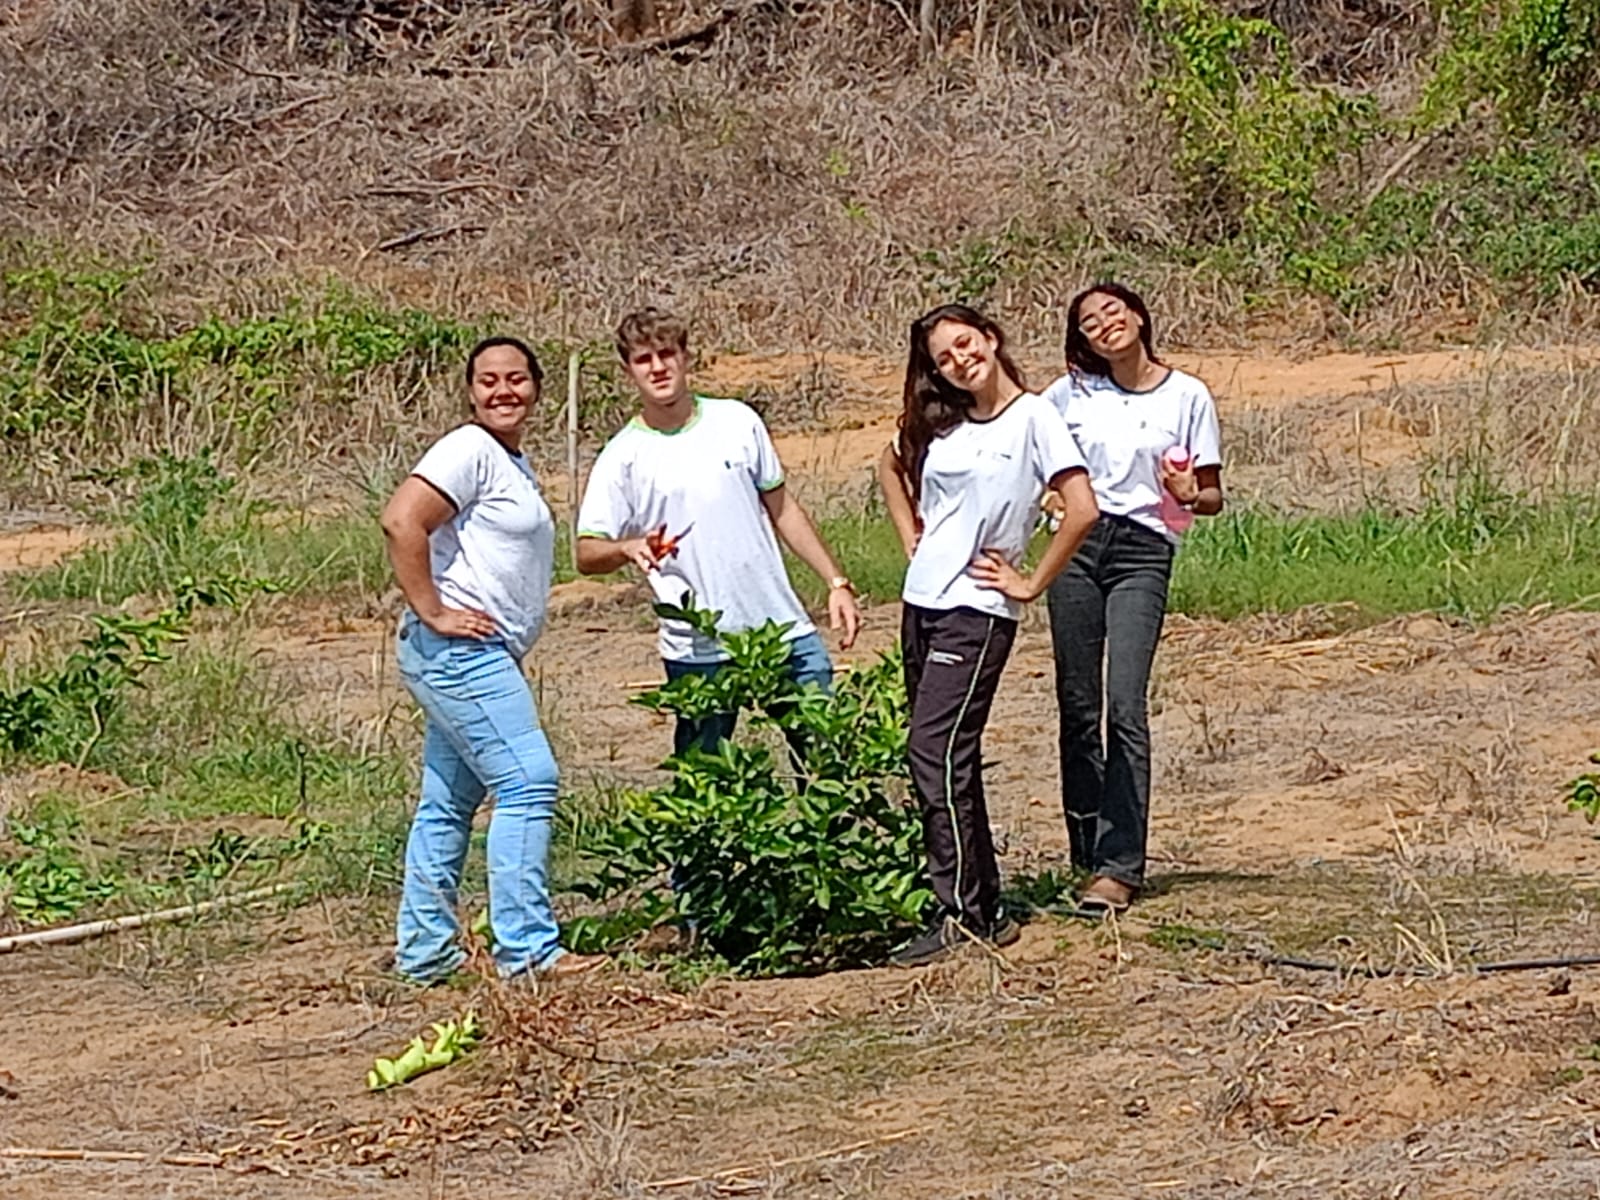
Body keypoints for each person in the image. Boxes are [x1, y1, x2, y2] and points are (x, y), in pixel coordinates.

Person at [879, 303, 1099, 966]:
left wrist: (1030, 583)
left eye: (965, 346)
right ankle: (977, 903)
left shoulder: (1035, 417)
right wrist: (912, 542)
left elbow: (1081, 507)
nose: (958, 362)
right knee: (947, 758)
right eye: (944, 358)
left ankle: (964, 911)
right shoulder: (945, 425)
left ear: (992, 339)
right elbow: (889, 468)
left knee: (934, 750)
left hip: (978, 610)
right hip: (923, 603)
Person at [380, 336, 602, 983]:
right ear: (470, 391)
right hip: (458, 652)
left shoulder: (509, 459)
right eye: (488, 381)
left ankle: (424, 954)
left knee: (448, 800)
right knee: (528, 781)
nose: (503, 391)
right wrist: (434, 610)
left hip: (478, 653)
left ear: (536, 387)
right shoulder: (469, 449)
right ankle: (528, 951)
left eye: (516, 379)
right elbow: (402, 521)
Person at [575, 307, 861, 755]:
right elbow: (586, 553)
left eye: (667, 353)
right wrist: (628, 547)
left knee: (826, 758)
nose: (658, 367)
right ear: (628, 370)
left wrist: (836, 581)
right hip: (697, 649)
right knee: (705, 780)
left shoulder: (738, 422)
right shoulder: (621, 457)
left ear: (686, 357)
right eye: (644, 359)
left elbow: (783, 508)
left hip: (781, 632)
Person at [1039, 282, 1224, 918]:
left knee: (1124, 702)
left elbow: (1210, 498)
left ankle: (1121, 867)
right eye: (1088, 323)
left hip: (1143, 548)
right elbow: (1031, 457)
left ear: (1139, 317)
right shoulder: (1068, 396)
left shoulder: (1187, 394)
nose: (1104, 325)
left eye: (1112, 312)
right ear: (1081, 341)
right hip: (1078, 548)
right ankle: (1086, 855)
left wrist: (1185, 490)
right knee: (1076, 703)